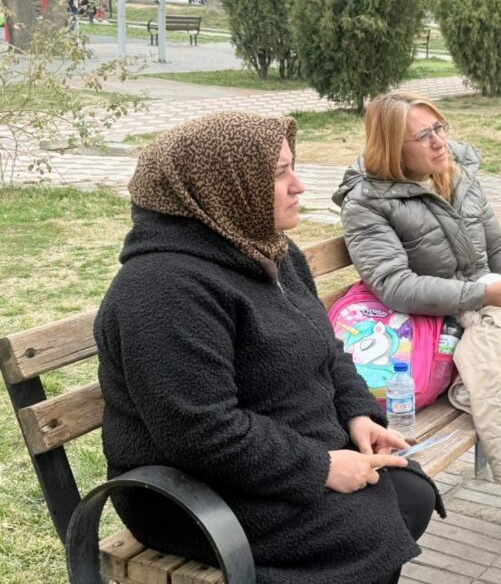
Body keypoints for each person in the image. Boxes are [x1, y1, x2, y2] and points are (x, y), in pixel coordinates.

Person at [94, 111, 442, 584]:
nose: (299, 185)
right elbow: (201, 431)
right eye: (279, 174)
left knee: (410, 490)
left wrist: (359, 416)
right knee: (366, 528)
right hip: (194, 491)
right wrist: (320, 467)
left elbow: (326, 349)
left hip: (274, 452)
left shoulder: (268, 250)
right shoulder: (162, 288)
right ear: (223, 187)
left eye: (292, 167)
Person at [334, 92, 501, 549]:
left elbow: (496, 246)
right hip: (439, 330)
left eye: (440, 128)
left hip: (484, 303)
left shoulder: (455, 174)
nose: (440, 142)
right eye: (424, 136)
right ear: (393, 148)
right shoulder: (367, 201)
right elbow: (394, 285)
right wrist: (484, 293)